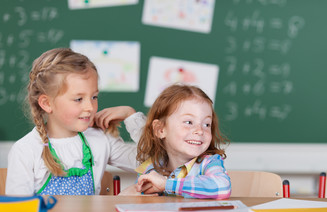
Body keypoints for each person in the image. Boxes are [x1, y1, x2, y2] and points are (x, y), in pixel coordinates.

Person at [5, 48, 146, 195]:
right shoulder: (25, 150)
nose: (90, 107)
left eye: (94, 97)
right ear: (47, 103)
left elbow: (157, 162)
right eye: (78, 99)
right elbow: (18, 210)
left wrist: (131, 116)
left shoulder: (101, 139)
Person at [123, 84, 231, 199]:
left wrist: (166, 184)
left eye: (206, 124)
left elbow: (222, 187)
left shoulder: (209, 162)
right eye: (189, 122)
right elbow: (142, 202)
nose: (200, 131)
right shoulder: (151, 168)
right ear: (160, 130)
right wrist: (131, 195)